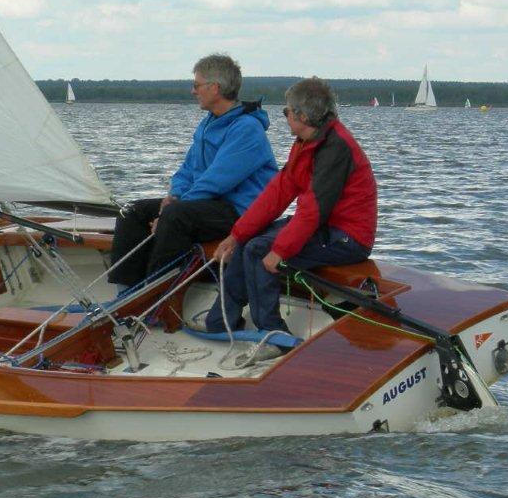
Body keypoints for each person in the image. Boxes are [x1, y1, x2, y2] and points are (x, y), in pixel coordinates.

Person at [206, 76, 377, 334]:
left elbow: (314, 209)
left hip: (348, 236)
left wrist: (281, 250)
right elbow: (279, 191)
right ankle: (221, 322)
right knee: (247, 242)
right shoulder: (307, 142)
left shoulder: (335, 148)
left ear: (302, 117)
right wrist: (236, 234)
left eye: (287, 111)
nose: (285, 115)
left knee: (259, 251)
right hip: (324, 226)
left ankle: (273, 335)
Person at [108, 53, 278, 290]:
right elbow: (189, 169)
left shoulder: (247, 129)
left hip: (239, 210)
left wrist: (174, 209)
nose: (193, 91)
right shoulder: (209, 123)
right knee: (133, 211)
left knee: (175, 217)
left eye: (196, 85)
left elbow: (216, 181)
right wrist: (174, 195)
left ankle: (157, 297)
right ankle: (126, 294)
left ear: (215, 88)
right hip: (209, 204)